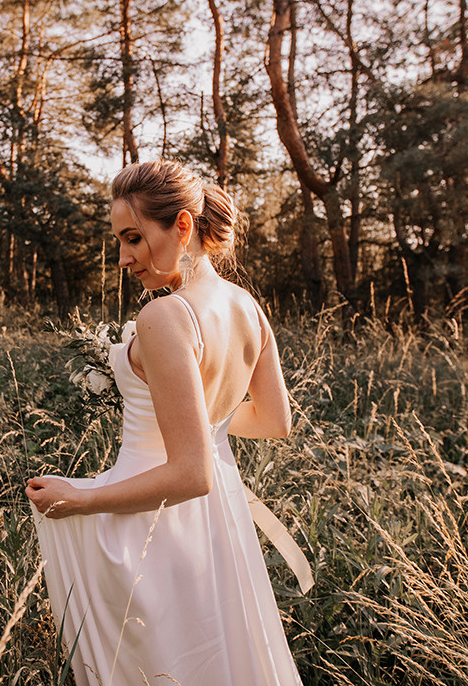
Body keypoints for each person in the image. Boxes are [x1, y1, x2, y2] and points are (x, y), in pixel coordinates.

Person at [26, 160, 308, 685]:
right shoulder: (248, 307)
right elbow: (273, 420)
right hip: (216, 525)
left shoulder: (164, 316)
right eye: (119, 241)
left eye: (133, 237)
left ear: (182, 226)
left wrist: (79, 500)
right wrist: (199, 423)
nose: (123, 257)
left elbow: (189, 474)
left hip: (150, 525)